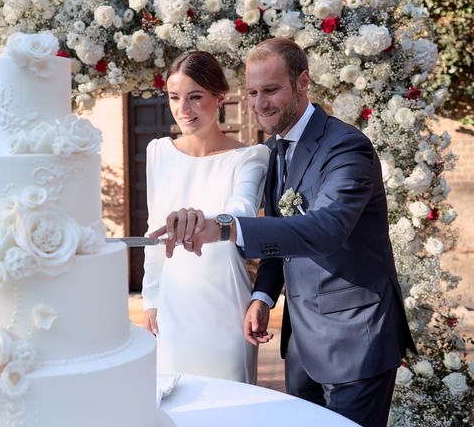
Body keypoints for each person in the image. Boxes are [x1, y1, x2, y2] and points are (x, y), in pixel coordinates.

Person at [151, 38, 416, 426]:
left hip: (355, 338)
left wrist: (225, 227)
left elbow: (326, 229)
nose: (260, 103)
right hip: (302, 346)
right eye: (254, 92)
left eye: (271, 90)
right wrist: (263, 295)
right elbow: (281, 234)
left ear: (303, 82)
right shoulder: (279, 149)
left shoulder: (346, 147)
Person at [141, 51, 270, 384]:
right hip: (173, 302)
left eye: (195, 97)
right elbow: (152, 231)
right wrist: (151, 298)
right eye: (174, 98)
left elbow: (242, 211)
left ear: (220, 98)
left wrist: (203, 220)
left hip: (226, 305)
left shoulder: (250, 157)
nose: (183, 109)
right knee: (174, 402)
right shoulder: (158, 152)